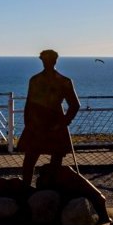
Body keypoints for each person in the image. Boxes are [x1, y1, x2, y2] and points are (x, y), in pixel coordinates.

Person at [19, 49, 80, 186]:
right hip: (38, 126)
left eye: (48, 60)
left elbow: (75, 105)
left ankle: (50, 189)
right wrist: (29, 124)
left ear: (54, 61)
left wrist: (63, 123)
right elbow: (29, 104)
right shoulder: (35, 80)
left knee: (53, 160)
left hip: (52, 126)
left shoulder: (64, 81)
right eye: (44, 60)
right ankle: (27, 189)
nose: (46, 63)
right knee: (30, 160)